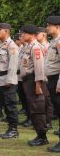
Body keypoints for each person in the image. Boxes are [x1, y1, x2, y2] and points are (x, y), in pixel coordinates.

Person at [20, 24, 50, 146]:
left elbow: (39, 68)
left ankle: (42, 136)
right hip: (28, 81)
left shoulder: (35, 48)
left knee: (37, 109)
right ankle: (39, 134)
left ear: (31, 35)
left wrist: (38, 84)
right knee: (33, 109)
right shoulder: (28, 47)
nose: (22, 35)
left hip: (34, 81)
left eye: (24, 33)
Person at [0, 23, 19, 139]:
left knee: (10, 105)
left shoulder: (11, 46)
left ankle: (13, 129)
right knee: (4, 104)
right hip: (0, 80)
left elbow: (13, 65)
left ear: (6, 31)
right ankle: (10, 128)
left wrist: (9, 79)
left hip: (7, 80)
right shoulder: (0, 46)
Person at [45, 16, 60, 153]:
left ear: (57, 27)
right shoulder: (53, 41)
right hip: (52, 79)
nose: (47, 27)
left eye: (50, 25)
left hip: (57, 80)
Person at [14, 33, 31, 127]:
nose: (21, 37)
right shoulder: (21, 48)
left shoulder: (29, 47)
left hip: (27, 76)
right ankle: (28, 117)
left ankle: (31, 119)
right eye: (20, 36)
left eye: (22, 35)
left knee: (28, 99)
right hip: (20, 77)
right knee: (24, 99)